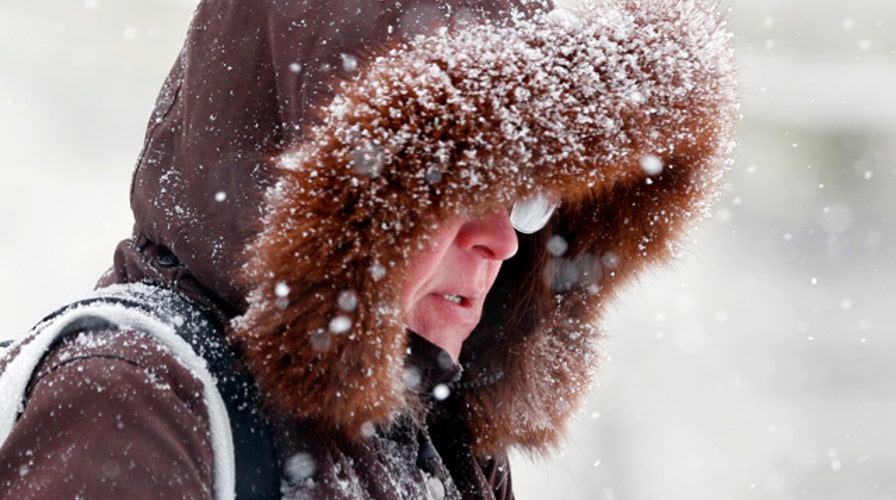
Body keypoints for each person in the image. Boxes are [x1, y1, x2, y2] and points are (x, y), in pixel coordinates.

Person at [0, 0, 738, 498]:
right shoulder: (134, 397)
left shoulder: (442, 432)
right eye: (454, 188)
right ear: (322, 198)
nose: (503, 241)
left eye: (524, 194)